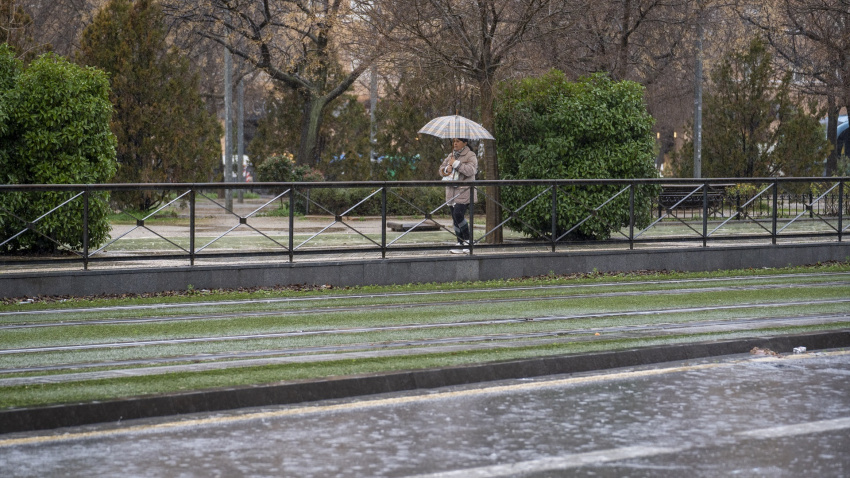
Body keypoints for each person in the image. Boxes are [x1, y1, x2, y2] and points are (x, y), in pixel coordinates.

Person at [439, 137, 478, 254]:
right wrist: (447, 168)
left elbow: (471, 171)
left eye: (458, 141)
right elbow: (440, 170)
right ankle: (460, 242)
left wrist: (456, 164)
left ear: (465, 143)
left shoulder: (470, 155)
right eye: (454, 141)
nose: (455, 144)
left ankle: (468, 240)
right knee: (454, 218)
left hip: (464, 191)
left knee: (458, 214)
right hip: (451, 191)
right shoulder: (451, 155)